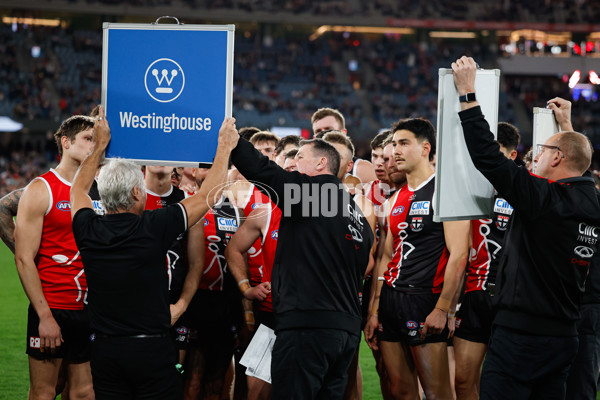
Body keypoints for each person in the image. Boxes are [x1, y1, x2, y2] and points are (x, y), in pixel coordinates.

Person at [453, 56, 600, 400]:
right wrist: (566, 126)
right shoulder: (591, 201)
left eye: (543, 151)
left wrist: (467, 94)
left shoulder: (543, 200)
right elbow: (580, 161)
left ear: (558, 158)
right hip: (565, 336)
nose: (533, 158)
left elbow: (489, 158)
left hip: (522, 338)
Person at [70, 110, 238, 399]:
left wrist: (99, 147)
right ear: (137, 192)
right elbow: (208, 195)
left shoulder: (87, 228)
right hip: (152, 351)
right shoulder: (155, 225)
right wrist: (223, 147)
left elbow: (77, 190)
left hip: (106, 350)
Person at [230, 136, 374, 399]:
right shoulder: (358, 216)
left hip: (308, 328)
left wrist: (233, 140)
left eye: (299, 157)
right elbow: (365, 265)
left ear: (321, 163)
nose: (293, 163)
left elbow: (261, 170)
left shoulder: (311, 195)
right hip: (345, 333)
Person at [364, 118, 470, 400]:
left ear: (425, 148)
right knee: (399, 391)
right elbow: (386, 257)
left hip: (425, 300)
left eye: (404, 143)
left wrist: (444, 308)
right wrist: (374, 312)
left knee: (437, 393)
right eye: (394, 144)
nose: (395, 151)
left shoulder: (446, 192)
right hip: (390, 301)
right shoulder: (394, 198)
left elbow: (459, 254)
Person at [14, 114, 105, 400]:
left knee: (84, 392)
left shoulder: (98, 192)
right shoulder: (42, 189)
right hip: (53, 307)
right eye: (88, 139)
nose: (94, 146)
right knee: (44, 392)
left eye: (96, 140)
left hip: (90, 311)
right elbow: (24, 258)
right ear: (66, 142)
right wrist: (44, 316)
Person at [453, 122, 521, 400]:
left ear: (513, 156)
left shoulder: (524, 192)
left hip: (510, 300)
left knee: (504, 385)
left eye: (498, 153)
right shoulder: (468, 190)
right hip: (473, 295)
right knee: (462, 381)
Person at [311, 107, 376, 184]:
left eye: (328, 129)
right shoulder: (306, 170)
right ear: (314, 137)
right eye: (318, 131)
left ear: (343, 133)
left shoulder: (361, 169)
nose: (323, 134)